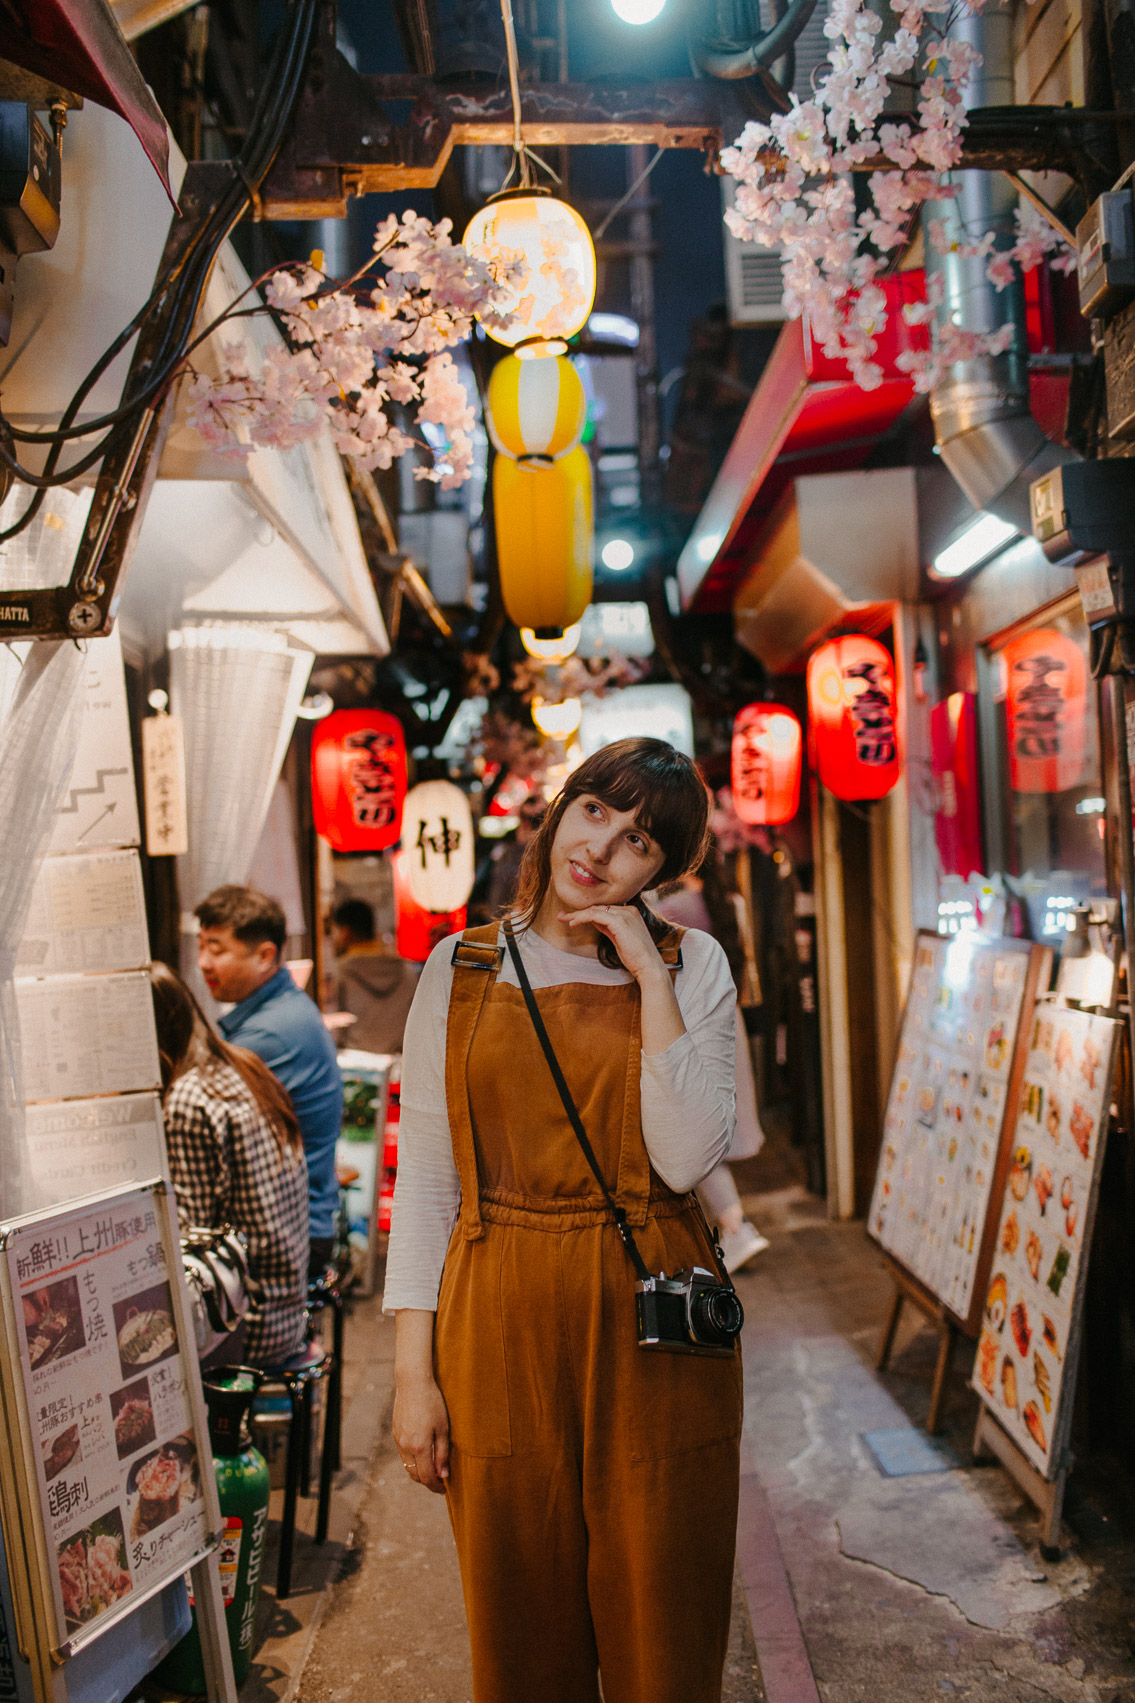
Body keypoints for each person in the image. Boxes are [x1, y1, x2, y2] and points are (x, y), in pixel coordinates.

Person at [385, 737, 743, 1703]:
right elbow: (426, 1181)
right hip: (497, 1311)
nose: (601, 849)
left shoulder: (691, 963)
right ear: (560, 808)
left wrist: (650, 979)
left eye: (638, 842)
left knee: (663, 1617)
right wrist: (412, 1376)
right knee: (519, 1624)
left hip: (655, 1320)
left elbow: (683, 1158)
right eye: (594, 810)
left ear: (661, 872)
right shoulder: (457, 970)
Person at [151, 961, 309, 1368]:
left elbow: (190, 1236)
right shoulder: (240, 1062)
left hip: (248, 1324)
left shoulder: (188, 1098)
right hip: (287, 1307)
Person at [195, 885, 343, 1278]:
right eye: (200, 947)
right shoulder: (282, 1009)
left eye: (217, 949)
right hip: (306, 1220)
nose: (203, 962)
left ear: (265, 956)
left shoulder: (268, 1035)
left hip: (292, 1231)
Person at [652, 870, 770, 1273]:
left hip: (689, 1018)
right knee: (708, 1129)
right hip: (720, 1013)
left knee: (694, 1130)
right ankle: (733, 1229)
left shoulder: (675, 907)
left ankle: (736, 1229)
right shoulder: (725, 902)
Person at [329, 897, 418, 1054]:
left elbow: (336, 1032)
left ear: (346, 932)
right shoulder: (407, 969)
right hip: (398, 1064)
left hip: (356, 1068)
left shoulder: (340, 973)